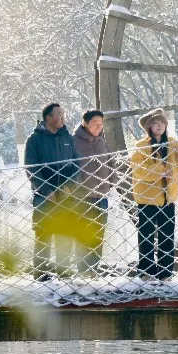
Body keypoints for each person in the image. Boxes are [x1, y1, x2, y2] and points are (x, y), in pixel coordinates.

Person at [130, 108, 178, 280]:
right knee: (146, 236)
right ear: (149, 127)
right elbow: (139, 171)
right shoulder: (141, 146)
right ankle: (146, 272)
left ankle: (166, 273)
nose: (159, 126)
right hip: (147, 198)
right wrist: (161, 170)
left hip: (168, 197)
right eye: (155, 123)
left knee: (167, 236)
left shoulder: (172, 143)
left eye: (162, 123)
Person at [23, 102, 80, 280]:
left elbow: (77, 164)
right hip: (43, 195)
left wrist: (69, 186)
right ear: (48, 118)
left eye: (63, 114)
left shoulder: (67, 137)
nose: (63, 118)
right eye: (59, 114)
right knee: (43, 235)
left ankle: (64, 273)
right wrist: (46, 191)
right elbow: (31, 168)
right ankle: (40, 274)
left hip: (66, 194)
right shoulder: (34, 139)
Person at [72, 109, 116, 275]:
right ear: (85, 123)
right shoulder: (73, 141)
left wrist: (111, 184)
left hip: (101, 196)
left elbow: (111, 163)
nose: (98, 127)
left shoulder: (102, 142)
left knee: (98, 235)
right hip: (81, 197)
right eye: (94, 123)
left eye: (100, 124)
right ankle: (83, 270)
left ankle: (94, 270)